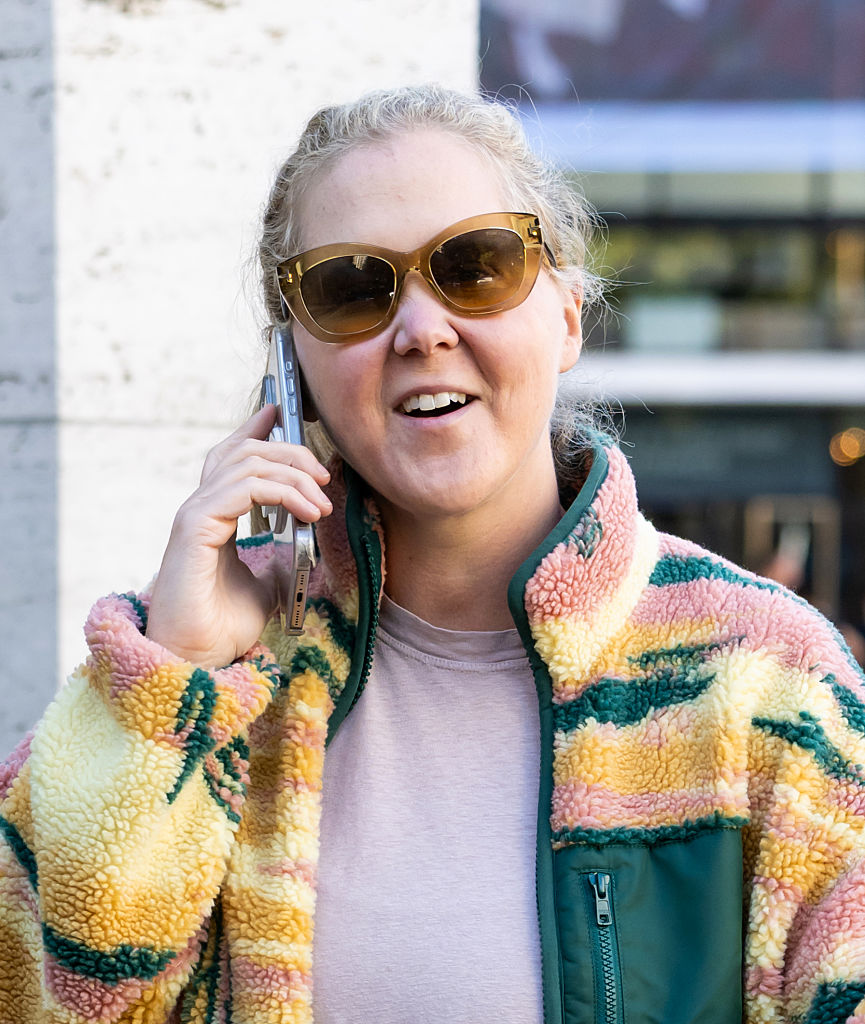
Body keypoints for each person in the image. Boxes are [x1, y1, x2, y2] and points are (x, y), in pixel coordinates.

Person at [2, 84, 865, 1024]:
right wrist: (174, 694)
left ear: (567, 317)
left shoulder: (769, 681)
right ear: (293, 369)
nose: (421, 330)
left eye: (476, 265)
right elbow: (50, 994)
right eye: (350, 289)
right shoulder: (208, 676)